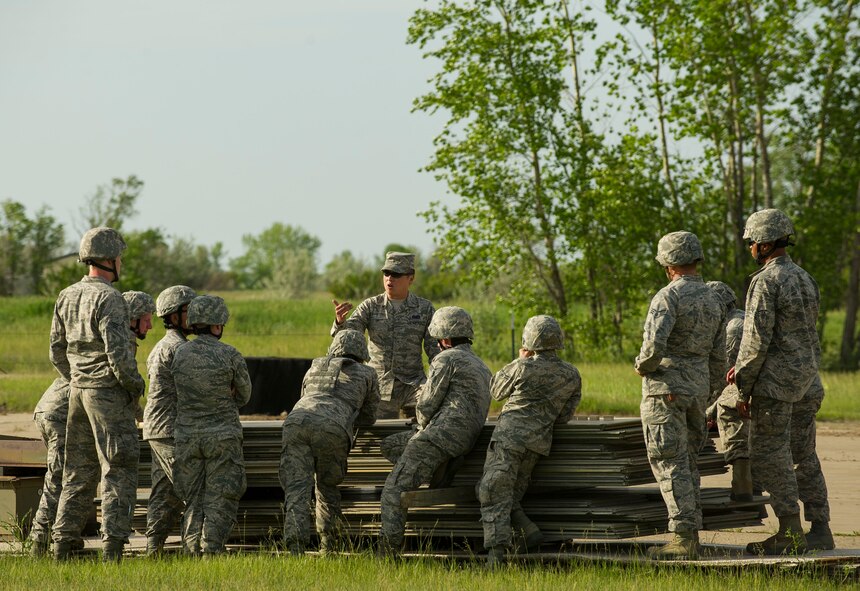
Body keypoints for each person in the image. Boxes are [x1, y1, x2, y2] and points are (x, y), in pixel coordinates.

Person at [728, 209, 824, 555]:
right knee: (804, 454)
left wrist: (742, 385)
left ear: (765, 244)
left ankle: (790, 532)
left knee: (769, 455)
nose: (751, 247)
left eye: (752, 242)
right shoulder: (804, 277)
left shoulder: (765, 281)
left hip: (777, 385)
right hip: (808, 380)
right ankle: (820, 528)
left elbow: (755, 340)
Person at [49, 227, 145, 562]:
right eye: (119, 257)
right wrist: (136, 386)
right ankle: (113, 549)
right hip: (107, 396)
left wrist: (76, 378)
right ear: (108, 259)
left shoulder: (66, 295)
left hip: (77, 393)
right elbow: (119, 355)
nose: (121, 262)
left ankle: (61, 546)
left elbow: (56, 351)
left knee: (77, 472)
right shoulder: (110, 298)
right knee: (118, 470)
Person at [634, 231, 725, 560]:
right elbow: (719, 356)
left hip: (665, 389)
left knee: (668, 461)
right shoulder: (713, 298)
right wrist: (707, 387)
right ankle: (691, 531)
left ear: (668, 264)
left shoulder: (667, 297)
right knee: (687, 461)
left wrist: (643, 366)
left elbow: (653, 348)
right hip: (698, 389)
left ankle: (683, 536)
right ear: (696, 259)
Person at [378, 306, 491, 555]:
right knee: (390, 445)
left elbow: (427, 403)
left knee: (393, 491)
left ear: (445, 340)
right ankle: (437, 467)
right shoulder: (482, 366)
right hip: (465, 441)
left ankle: (387, 553)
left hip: (438, 436)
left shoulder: (445, 359)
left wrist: (421, 425)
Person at [477, 315, 582, 567]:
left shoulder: (523, 367)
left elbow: (496, 391)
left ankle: (496, 557)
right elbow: (565, 415)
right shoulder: (571, 374)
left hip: (508, 440)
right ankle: (529, 533)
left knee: (490, 492)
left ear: (529, 339)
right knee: (509, 495)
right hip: (537, 445)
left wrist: (518, 360)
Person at [279, 329, 380, 555]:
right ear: (361, 352)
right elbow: (370, 416)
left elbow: (304, 396)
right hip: (332, 428)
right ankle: (328, 546)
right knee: (326, 488)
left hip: (295, 423)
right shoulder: (367, 374)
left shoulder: (315, 365)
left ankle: (295, 549)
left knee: (297, 488)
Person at [172, 295, 251, 556]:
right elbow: (244, 395)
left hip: (187, 437)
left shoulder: (179, 353)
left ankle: (190, 549)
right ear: (218, 324)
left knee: (192, 497)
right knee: (221, 496)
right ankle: (212, 551)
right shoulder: (230, 354)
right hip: (222, 436)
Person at [331, 251, 440, 418]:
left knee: (431, 411)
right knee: (378, 434)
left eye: (396, 274)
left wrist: (439, 379)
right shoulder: (370, 306)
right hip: (379, 386)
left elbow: (435, 351)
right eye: (386, 273)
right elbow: (347, 338)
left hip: (413, 384)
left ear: (410, 278)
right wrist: (339, 322)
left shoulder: (424, 309)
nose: (390, 279)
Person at [143, 285, 197, 556]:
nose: (195, 316)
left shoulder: (163, 346)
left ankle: (154, 550)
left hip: (159, 429)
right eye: (189, 310)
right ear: (173, 316)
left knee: (165, 494)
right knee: (194, 491)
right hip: (171, 430)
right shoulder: (180, 349)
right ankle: (193, 552)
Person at [705, 281, 753, 502]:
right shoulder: (740, 318)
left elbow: (729, 380)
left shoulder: (733, 328)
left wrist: (709, 410)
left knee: (728, 416)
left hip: (749, 392)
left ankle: (743, 487)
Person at [27, 378, 71, 557]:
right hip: (58, 418)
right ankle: (39, 541)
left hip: (44, 411)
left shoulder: (82, 358)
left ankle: (67, 534)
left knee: (63, 477)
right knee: (57, 480)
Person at [123, 290, 156, 422]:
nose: (150, 326)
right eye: (146, 320)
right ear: (131, 320)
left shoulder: (123, 338)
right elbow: (126, 385)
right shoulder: (124, 343)